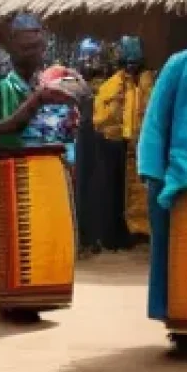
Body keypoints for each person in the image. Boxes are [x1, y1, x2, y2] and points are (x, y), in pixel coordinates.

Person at [0, 13, 81, 322]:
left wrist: (72, 113)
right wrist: (36, 102)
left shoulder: (53, 79)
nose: (34, 52)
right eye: (26, 47)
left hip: (51, 171)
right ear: (11, 47)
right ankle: (14, 302)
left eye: (38, 46)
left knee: (46, 239)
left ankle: (41, 297)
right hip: (15, 172)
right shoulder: (1, 84)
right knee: (18, 242)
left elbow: (69, 125)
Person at [138, 43, 187, 355]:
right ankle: (181, 327)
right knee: (174, 255)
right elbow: (156, 120)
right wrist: (152, 172)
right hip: (181, 178)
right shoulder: (182, 63)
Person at [93, 36, 154, 245]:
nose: (132, 68)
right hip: (117, 144)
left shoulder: (149, 83)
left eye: (135, 63)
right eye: (129, 63)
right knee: (118, 191)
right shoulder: (112, 85)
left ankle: (142, 230)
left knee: (141, 188)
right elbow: (100, 119)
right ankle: (121, 233)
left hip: (143, 143)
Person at [74, 38, 108, 256]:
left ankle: (94, 237)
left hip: (99, 138)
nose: (90, 62)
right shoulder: (73, 83)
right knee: (82, 187)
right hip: (81, 137)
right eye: (87, 57)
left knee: (97, 187)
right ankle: (83, 237)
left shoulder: (106, 83)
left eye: (93, 57)